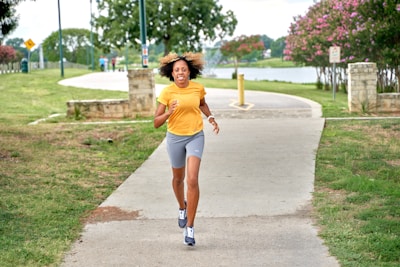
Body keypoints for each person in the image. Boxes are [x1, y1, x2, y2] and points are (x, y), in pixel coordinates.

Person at [154, 52, 219, 246]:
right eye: (177, 70)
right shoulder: (167, 92)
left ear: (189, 71)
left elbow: (202, 104)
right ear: (172, 74)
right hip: (174, 138)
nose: (180, 72)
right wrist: (169, 112)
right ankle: (181, 206)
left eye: (184, 69)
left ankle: (190, 227)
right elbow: (156, 122)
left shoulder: (197, 88)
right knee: (178, 178)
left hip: (195, 136)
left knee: (192, 179)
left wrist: (211, 117)